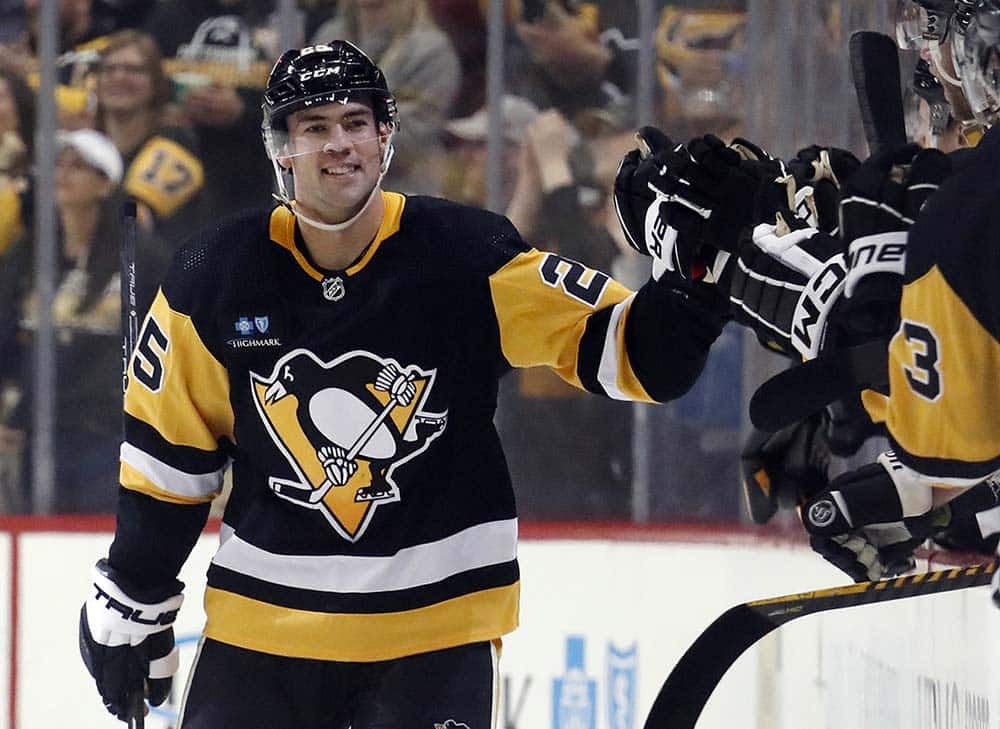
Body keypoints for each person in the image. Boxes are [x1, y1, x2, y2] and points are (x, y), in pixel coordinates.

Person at [77, 40, 729, 726]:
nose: (341, 144)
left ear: (385, 136)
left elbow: (641, 358)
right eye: (315, 127)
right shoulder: (213, 272)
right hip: (262, 634)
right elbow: (170, 461)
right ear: (282, 150)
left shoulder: (467, 256)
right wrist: (134, 590)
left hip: (434, 638)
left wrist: (692, 276)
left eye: (357, 122)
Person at [612, 0, 1000, 584]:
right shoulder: (970, 202)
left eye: (933, 34)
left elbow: (962, 421)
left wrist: (734, 252)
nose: (925, 62)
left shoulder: (972, 213)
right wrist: (920, 490)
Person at [94, 30, 207, 242]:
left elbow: (135, 220)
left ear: (156, 84)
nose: (119, 77)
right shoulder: (89, 147)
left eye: (134, 70)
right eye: (109, 69)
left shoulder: (175, 142)